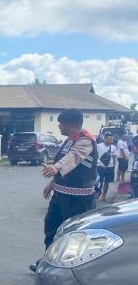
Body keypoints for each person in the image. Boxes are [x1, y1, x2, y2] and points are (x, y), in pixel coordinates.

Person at [31, 108, 98, 272]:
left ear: (72, 124)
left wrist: (56, 167)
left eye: (61, 123)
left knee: (74, 235)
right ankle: (49, 261)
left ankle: (74, 269)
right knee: (51, 228)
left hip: (79, 200)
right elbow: (63, 161)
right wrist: (52, 183)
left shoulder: (85, 141)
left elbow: (73, 157)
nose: (59, 127)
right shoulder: (69, 140)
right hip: (60, 195)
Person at [95, 132, 117, 201]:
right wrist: (100, 164)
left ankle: (104, 196)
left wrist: (113, 165)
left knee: (107, 182)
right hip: (100, 167)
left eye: (112, 139)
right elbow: (95, 156)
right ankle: (98, 193)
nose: (111, 141)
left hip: (109, 167)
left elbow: (114, 157)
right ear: (104, 139)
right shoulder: (98, 146)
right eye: (109, 139)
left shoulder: (113, 147)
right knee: (99, 182)